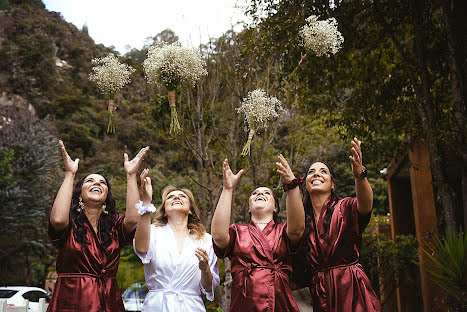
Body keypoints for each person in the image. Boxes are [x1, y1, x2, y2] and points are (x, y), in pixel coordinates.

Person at [47, 140, 149, 312]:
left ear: (107, 195)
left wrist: (131, 175)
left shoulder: (114, 225)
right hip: (72, 300)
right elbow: (57, 220)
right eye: (90, 181)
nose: (97, 183)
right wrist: (70, 173)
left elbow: (132, 219)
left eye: (102, 182)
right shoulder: (69, 223)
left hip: (109, 300)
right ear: (79, 193)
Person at [286, 138, 381, 312]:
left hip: (350, 287)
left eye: (323, 171)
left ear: (332, 184)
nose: (316, 174)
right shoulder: (301, 219)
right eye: (311, 172)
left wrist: (360, 175)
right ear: (305, 184)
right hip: (319, 294)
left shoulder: (344, 207)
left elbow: (366, 205)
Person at [211, 157, 305, 312]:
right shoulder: (237, 232)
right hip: (244, 302)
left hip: (279, 302)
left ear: (275, 208)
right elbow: (219, 236)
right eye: (255, 193)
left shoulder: (283, 231)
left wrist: (292, 185)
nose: (260, 193)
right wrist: (227, 189)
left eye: (266, 193)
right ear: (249, 207)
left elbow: (298, 229)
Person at [133, 170, 220, 312]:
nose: (176, 197)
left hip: (190, 305)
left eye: (182, 196)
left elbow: (208, 287)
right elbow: (141, 248)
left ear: (190, 210)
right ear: (165, 210)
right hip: (157, 305)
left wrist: (205, 269)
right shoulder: (153, 231)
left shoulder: (205, 240)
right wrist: (147, 201)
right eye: (170, 197)